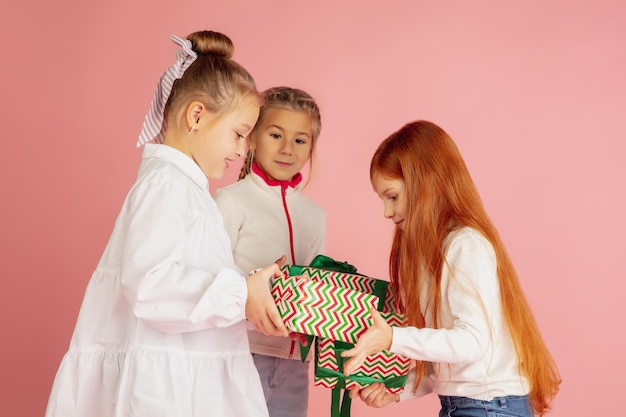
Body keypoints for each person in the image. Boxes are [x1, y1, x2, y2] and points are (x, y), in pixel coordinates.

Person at [44, 31, 290, 417]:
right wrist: (239, 294)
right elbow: (152, 284)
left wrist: (250, 294)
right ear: (196, 116)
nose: (243, 150)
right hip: (166, 389)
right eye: (239, 134)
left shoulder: (187, 189)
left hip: (187, 378)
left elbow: (187, 282)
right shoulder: (166, 186)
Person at [341, 120, 561, 416]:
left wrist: (393, 338)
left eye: (392, 196)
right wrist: (396, 391)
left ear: (426, 184)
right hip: (470, 406)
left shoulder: (464, 245)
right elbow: (450, 365)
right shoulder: (430, 253)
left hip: (488, 408)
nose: (387, 212)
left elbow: (471, 343)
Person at [214, 86, 326, 417]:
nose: (287, 149)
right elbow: (212, 279)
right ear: (252, 137)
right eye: (276, 134)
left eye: (300, 140)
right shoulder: (230, 201)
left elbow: (315, 286)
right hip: (239, 356)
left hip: (295, 365)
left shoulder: (315, 215)